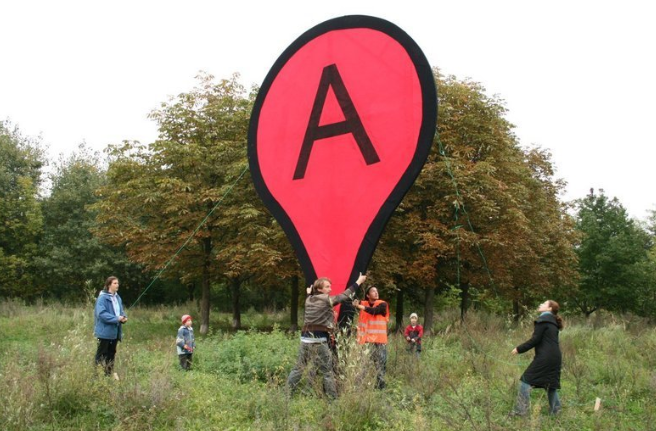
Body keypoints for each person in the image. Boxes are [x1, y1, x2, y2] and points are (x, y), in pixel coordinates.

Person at [287, 272, 367, 398]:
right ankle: (333, 399)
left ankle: (287, 395)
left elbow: (311, 294)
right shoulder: (326, 300)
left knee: (298, 368)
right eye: (327, 287)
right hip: (319, 340)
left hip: (305, 339)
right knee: (327, 371)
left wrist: (309, 292)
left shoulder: (309, 299)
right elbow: (344, 296)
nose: (330, 289)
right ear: (320, 289)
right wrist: (359, 282)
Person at [510, 300, 564, 416]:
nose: (540, 304)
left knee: (526, 380)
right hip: (555, 357)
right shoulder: (553, 322)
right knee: (550, 384)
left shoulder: (543, 321)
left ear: (549, 309)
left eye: (543, 304)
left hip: (545, 357)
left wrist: (519, 349)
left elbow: (535, 340)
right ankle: (556, 411)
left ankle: (521, 411)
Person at [355, 285, 389, 389]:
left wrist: (361, 307)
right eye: (373, 291)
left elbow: (374, 311)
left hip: (380, 341)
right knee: (363, 364)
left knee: (380, 365)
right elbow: (351, 299)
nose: (376, 292)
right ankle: (359, 386)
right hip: (366, 341)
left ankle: (380, 387)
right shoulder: (362, 303)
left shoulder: (383, 304)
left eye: (377, 291)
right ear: (367, 295)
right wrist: (358, 283)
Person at [94, 276, 128, 376]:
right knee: (101, 356)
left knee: (111, 355)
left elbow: (120, 311)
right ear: (109, 285)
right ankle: (97, 376)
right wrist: (116, 318)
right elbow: (101, 314)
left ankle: (108, 375)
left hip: (115, 333)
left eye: (117, 283)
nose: (117, 285)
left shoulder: (118, 298)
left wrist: (124, 318)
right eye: (115, 283)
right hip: (104, 333)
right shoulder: (102, 298)